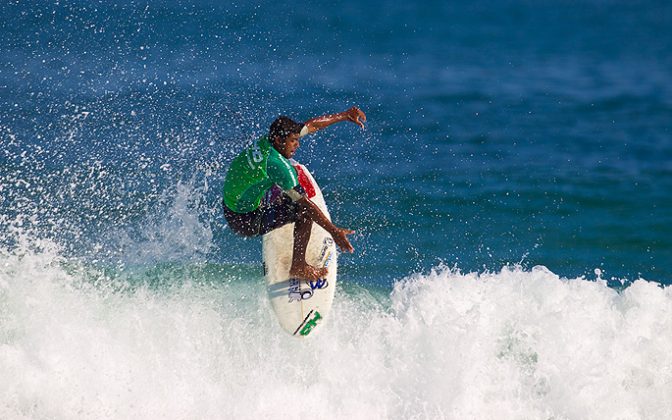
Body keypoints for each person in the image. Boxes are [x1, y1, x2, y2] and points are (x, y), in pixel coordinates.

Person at [222, 106, 367, 281]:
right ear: (278, 139)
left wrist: (344, 115)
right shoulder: (277, 165)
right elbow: (306, 205)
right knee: (303, 212)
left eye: (297, 140)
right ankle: (299, 266)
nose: (297, 145)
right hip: (244, 221)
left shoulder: (266, 142)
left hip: (231, 203)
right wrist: (334, 231)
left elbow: (312, 126)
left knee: (281, 185)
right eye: (293, 141)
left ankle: (274, 201)